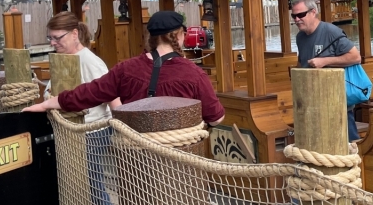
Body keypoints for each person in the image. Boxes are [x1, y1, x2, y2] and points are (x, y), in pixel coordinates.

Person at [25, 10, 225, 123]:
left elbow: (87, 93)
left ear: (151, 37)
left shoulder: (126, 69)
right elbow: (215, 118)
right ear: (180, 35)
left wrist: (46, 104)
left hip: (134, 163)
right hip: (179, 161)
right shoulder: (194, 74)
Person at [270, 0, 361, 205]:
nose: (297, 19)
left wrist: (324, 62)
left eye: (301, 15)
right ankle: (299, 204)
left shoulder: (330, 31)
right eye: (294, 16)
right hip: (310, 108)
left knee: (345, 155)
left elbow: (355, 56)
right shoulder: (301, 38)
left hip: (337, 107)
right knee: (306, 155)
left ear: (313, 12)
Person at [42, 12, 123, 205]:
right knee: (76, 185)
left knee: (91, 184)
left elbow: (112, 98)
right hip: (68, 130)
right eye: (50, 39)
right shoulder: (61, 60)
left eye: (57, 38)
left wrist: (123, 128)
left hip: (91, 131)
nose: (53, 43)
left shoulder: (90, 62)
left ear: (75, 34)